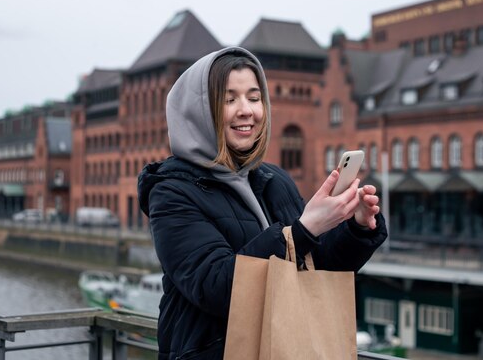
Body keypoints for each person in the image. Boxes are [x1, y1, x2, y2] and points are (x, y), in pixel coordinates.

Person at [138, 46, 387, 360]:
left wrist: (355, 228)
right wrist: (303, 230)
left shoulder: (273, 179)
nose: (247, 110)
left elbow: (315, 266)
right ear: (199, 111)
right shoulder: (171, 191)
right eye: (229, 100)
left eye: (254, 98)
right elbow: (214, 286)